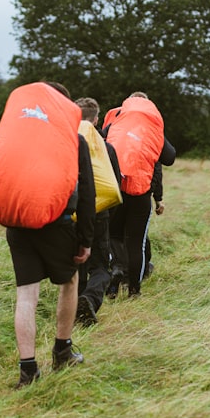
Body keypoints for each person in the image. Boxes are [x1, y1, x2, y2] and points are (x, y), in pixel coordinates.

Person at [0, 81, 96, 388]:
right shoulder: (74, 141)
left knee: (26, 295)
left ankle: (28, 371)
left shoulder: (16, 134)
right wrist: (86, 240)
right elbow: (87, 193)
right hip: (56, 224)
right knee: (70, 280)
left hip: (17, 225)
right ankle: (62, 351)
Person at [104, 92, 176, 298]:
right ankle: (134, 291)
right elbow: (169, 158)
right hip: (141, 193)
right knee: (136, 242)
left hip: (115, 189)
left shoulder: (116, 122)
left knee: (112, 236)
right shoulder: (152, 128)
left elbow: (101, 141)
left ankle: (114, 279)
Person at [73, 97, 122, 326]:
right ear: (96, 119)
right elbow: (115, 184)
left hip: (71, 212)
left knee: (77, 262)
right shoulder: (107, 148)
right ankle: (90, 300)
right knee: (101, 265)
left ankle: (75, 308)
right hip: (99, 212)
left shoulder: (66, 142)